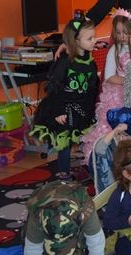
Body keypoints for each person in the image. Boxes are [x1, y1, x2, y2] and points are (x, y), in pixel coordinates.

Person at [30, 18, 99, 179]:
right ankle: (64, 174)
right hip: (63, 108)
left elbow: (92, 88)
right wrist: (59, 111)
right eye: (89, 38)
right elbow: (55, 88)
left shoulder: (90, 62)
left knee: (85, 139)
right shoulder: (65, 61)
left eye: (94, 37)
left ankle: (88, 168)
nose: (94, 41)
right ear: (76, 41)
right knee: (65, 142)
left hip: (82, 108)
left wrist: (91, 110)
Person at [23, 180, 107, 255]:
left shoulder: (86, 210)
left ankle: (74, 247)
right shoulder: (37, 215)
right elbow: (32, 251)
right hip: (44, 211)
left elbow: (97, 244)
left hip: (76, 224)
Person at [81, 9, 131, 165]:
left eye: (126, 33)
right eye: (118, 33)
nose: (122, 36)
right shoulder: (114, 50)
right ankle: (108, 161)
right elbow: (110, 77)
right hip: (117, 95)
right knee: (112, 127)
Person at [87, 107, 131, 194]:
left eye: (126, 135)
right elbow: (99, 149)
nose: (122, 138)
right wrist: (116, 129)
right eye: (119, 134)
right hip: (112, 185)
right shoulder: (109, 144)